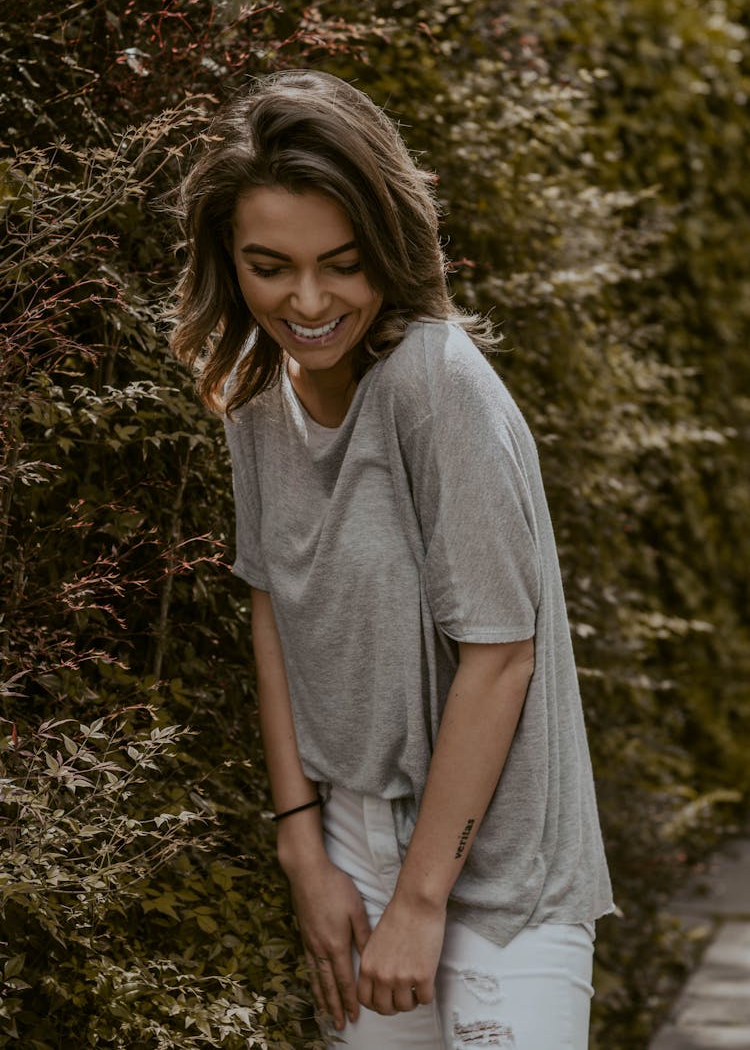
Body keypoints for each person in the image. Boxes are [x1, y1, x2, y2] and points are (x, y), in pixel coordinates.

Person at [170, 69, 614, 1049]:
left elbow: (502, 656)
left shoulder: (437, 383)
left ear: (391, 245)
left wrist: (420, 902)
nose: (310, 299)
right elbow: (271, 608)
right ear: (228, 259)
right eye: (270, 265)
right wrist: (303, 845)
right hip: (354, 843)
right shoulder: (253, 399)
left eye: (343, 261)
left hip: (500, 866)